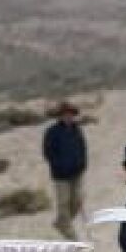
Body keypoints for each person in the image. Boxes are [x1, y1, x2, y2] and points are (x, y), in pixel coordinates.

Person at [42, 102, 87, 239]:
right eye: (65, 114)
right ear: (60, 116)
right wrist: (59, 165)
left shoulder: (77, 130)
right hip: (60, 175)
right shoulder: (52, 132)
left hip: (77, 172)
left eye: (70, 114)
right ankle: (68, 231)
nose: (68, 116)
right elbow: (48, 152)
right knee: (63, 202)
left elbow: (82, 148)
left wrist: (83, 163)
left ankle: (61, 223)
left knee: (77, 201)